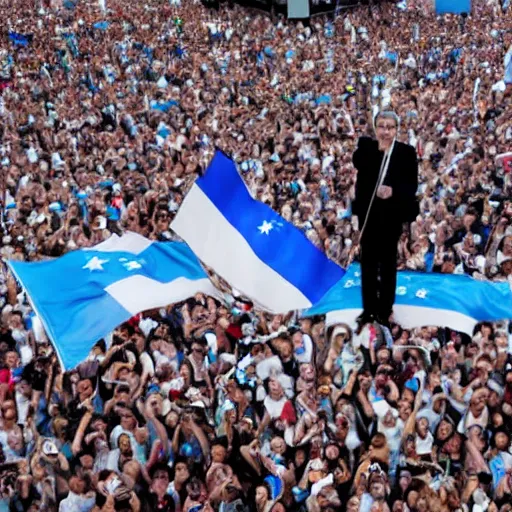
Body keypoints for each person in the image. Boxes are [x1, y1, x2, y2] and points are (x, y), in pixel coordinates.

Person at [353, 111, 419, 329]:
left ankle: (384, 309)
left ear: (396, 129)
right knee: (368, 266)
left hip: (390, 218)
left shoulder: (406, 152)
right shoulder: (368, 150)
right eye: (381, 126)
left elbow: (412, 186)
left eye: (390, 127)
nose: (386, 131)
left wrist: (393, 191)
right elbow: (358, 168)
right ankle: (369, 309)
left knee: (388, 265)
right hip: (369, 218)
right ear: (375, 128)